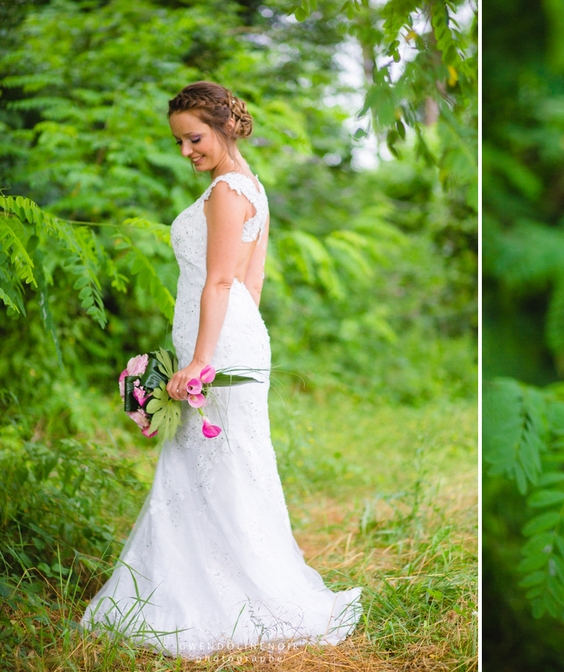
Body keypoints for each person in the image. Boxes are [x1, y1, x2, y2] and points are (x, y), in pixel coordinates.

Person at [81, 81, 361, 658]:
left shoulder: (228, 192)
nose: (186, 151)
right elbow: (249, 285)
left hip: (220, 349)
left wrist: (205, 359)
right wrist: (220, 344)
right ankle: (198, 583)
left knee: (221, 463)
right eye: (181, 142)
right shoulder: (249, 186)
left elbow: (222, 281)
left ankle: (233, 596)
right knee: (215, 464)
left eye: (194, 138)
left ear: (224, 127)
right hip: (235, 338)